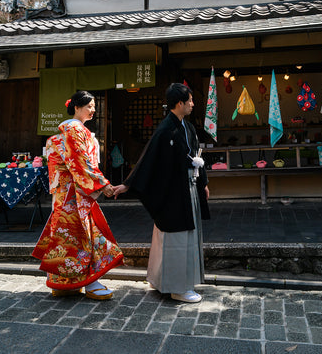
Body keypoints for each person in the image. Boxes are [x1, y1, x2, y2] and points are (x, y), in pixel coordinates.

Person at [114, 83, 210, 303]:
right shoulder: (166, 129)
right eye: (190, 101)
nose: (193, 104)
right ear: (180, 103)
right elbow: (148, 159)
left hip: (188, 186)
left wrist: (203, 182)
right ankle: (178, 288)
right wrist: (128, 184)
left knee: (181, 236)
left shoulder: (188, 127)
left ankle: (162, 281)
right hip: (172, 193)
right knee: (176, 238)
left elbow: (197, 156)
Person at [32, 90, 124, 300]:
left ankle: (64, 283)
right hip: (73, 193)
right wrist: (102, 184)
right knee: (82, 236)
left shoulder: (73, 129)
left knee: (67, 237)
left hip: (67, 192)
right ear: (76, 107)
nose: (93, 110)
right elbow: (80, 161)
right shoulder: (74, 129)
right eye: (89, 106)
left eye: (94, 107)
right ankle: (90, 282)